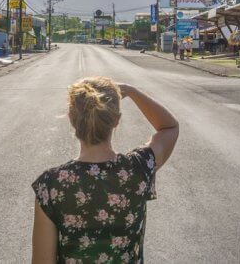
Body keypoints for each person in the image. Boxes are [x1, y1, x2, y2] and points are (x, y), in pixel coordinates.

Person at [32, 77, 179, 263]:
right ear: (116, 121)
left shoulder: (51, 185)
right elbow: (170, 127)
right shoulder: (138, 168)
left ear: (71, 119)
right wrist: (132, 91)